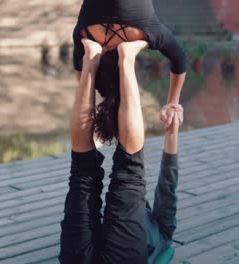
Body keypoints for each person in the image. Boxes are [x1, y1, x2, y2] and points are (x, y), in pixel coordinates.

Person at [59, 38, 183, 264]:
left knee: (96, 173)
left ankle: (107, 62)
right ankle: (100, 61)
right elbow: (168, 185)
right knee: (89, 172)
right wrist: (171, 132)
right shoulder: (163, 230)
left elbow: (168, 185)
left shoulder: (162, 230)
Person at [72, 0, 187, 145]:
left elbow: (179, 59)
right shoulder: (85, 33)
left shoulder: (146, 30)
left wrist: (172, 103)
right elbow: (81, 75)